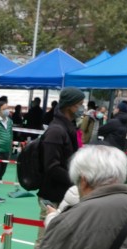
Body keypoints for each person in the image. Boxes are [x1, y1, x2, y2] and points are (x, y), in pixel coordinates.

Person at [37, 87, 84, 216]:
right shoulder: (56, 131)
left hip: (64, 192)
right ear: (70, 105)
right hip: (53, 195)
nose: (82, 108)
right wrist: (76, 180)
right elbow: (52, 167)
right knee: (48, 235)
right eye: (80, 104)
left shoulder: (68, 128)